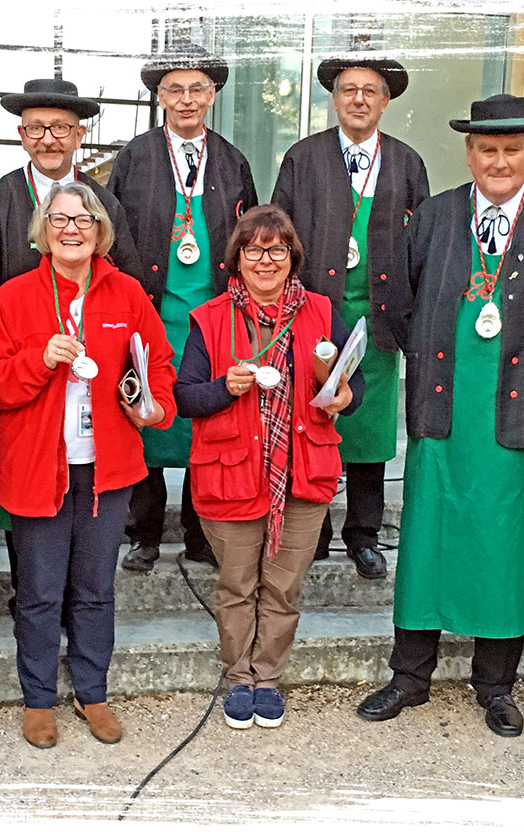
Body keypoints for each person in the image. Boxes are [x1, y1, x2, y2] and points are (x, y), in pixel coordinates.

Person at [356, 95, 524, 736]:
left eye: (513, 149)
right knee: (425, 537)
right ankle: (410, 676)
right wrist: (429, 356)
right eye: (488, 149)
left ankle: (495, 685)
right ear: (469, 152)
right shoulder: (433, 216)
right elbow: (397, 299)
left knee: (503, 545)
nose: (500, 161)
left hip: (515, 416)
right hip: (442, 407)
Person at [0, 181, 175, 749]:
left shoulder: (128, 293)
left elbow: (159, 365)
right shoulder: (12, 297)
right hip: (39, 467)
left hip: (107, 470)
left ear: (100, 231)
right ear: (43, 230)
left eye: (84, 219)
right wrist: (39, 360)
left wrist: (154, 407)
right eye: (60, 219)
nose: (72, 229)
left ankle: (92, 691)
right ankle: (39, 699)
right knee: (40, 592)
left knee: (94, 590)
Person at [175, 204, 363, 729]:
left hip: (303, 473)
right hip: (232, 472)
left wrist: (344, 395)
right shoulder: (210, 318)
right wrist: (224, 388)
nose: (265, 260)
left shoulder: (321, 311)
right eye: (254, 250)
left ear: (292, 257)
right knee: (237, 586)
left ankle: (268, 678)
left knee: (283, 588)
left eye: (276, 250)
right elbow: (185, 397)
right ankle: (239, 678)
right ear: (236, 258)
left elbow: (355, 384)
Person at [0, 77, 142, 616]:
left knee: (87, 504)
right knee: (23, 495)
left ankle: (72, 606)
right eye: (37, 127)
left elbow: (128, 281)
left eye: (61, 128)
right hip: (23, 377)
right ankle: (32, 594)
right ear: (21, 135)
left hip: (91, 389)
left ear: (79, 135)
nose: (48, 138)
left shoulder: (103, 202)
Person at [271, 47, 429, 579]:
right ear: (334, 100)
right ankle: (310, 532)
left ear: (385, 102)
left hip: (379, 318)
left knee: (369, 431)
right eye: (348, 90)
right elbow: (279, 233)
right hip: (315, 313)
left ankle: (363, 534)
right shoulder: (303, 157)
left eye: (369, 92)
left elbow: (421, 243)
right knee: (311, 420)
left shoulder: (406, 162)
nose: (358, 100)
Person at [108, 42, 258, 573]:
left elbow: (247, 239)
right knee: (145, 413)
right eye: (175, 89)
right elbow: (113, 233)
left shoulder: (233, 160)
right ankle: (143, 533)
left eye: (197, 89)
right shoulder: (135, 157)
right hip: (151, 312)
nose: (187, 99)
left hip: (214, 318)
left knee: (207, 418)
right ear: (160, 97)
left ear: (212, 95)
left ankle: (200, 533)